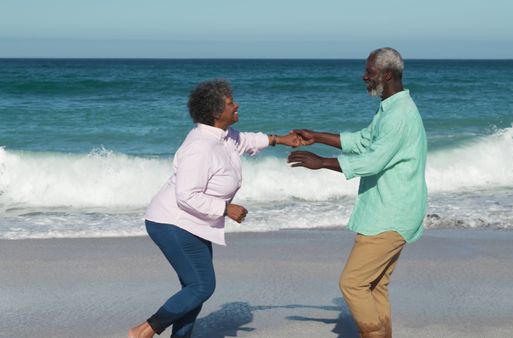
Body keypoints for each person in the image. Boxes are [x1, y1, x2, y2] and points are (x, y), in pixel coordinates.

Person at [128, 79, 300, 338]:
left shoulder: (224, 136)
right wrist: (225, 208)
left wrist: (280, 140)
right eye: (231, 103)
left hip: (193, 223)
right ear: (215, 112)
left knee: (194, 290)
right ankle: (144, 330)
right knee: (201, 286)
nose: (237, 105)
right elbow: (186, 195)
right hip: (172, 223)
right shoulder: (200, 147)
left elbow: (245, 140)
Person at [287, 47, 427, 338]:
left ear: (387, 74)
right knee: (375, 286)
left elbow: (372, 160)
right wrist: (318, 136)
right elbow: (363, 141)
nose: (364, 77)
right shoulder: (390, 109)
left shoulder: (398, 115)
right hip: (392, 212)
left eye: (370, 72)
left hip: (390, 215)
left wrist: (321, 162)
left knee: (352, 283)